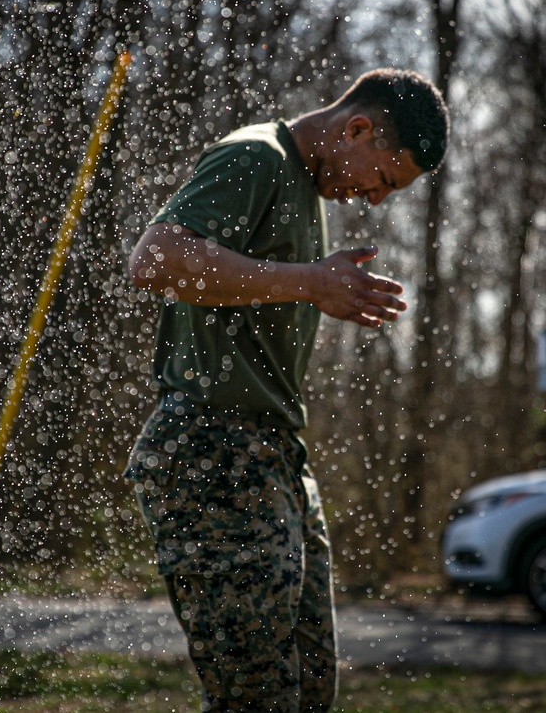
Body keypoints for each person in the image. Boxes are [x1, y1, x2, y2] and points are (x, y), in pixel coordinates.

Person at [124, 68, 449, 712]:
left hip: (275, 458)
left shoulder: (305, 191)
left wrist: (309, 283)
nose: (376, 200)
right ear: (356, 128)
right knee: (256, 697)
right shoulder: (256, 157)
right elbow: (154, 259)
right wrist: (307, 281)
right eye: (383, 179)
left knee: (306, 688)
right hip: (211, 450)